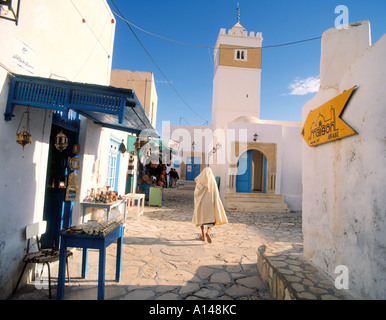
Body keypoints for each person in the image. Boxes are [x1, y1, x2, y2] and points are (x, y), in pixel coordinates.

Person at [192, 167, 228, 243]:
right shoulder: (213, 182)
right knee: (211, 219)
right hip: (210, 203)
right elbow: (216, 194)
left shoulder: (200, 182)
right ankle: (208, 232)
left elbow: (196, 193)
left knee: (201, 219)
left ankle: (203, 236)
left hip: (201, 204)